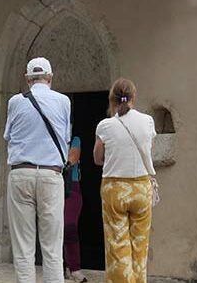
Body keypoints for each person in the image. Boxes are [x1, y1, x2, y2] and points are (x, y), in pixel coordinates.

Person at [4, 56, 72, 283]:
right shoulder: (63, 101)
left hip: (21, 171)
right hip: (51, 173)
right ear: (50, 78)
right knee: (52, 245)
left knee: (23, 246)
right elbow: (66, 137)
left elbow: (9, 136)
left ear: (27, 79)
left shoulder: (15, 101)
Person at [94, 78, 156, 283]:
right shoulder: (148, 121)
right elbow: (148, 150)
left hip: (115, 188)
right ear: (133, 97)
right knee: (140, 246)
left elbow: (97, 158)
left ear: (112, 99)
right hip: (141, 187)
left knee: (117, 245)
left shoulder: (105, 126)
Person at [63, 136, 86, 283]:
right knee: (53, 228)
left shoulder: (74, 139)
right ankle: (62, 266)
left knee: (69, 226)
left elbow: (74, 156)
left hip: (71, 185)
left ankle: (75, 268)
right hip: (51, 183)